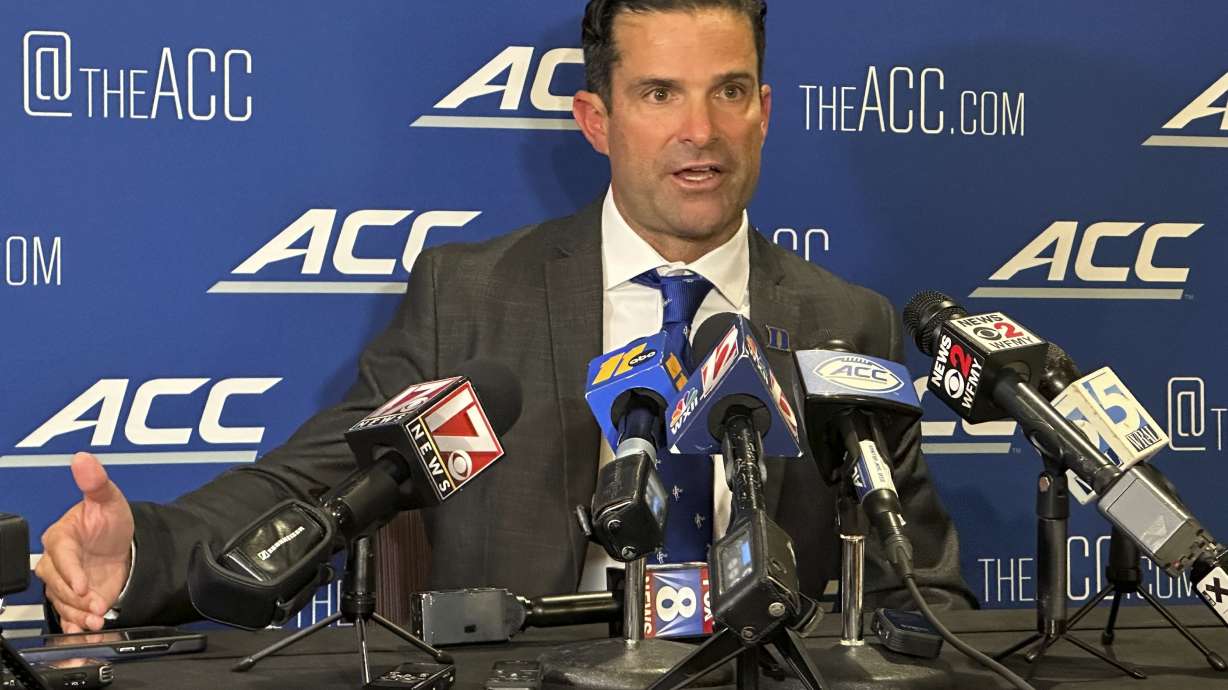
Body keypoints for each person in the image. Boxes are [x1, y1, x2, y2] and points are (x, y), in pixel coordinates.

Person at [38, 0, 976, 633]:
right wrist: (139, 556)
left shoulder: (843, 322)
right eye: (659, 94)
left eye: (729, 91)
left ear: (764, 110)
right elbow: (316, 486)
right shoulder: (472, 296)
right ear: (596, 120)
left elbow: (918, 585)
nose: (702, 129)